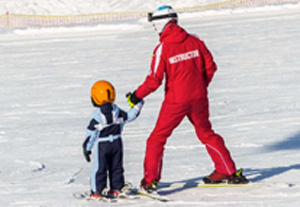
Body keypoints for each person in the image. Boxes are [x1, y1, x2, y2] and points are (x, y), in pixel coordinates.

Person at [126, 5, 248, 194]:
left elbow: (154, 80)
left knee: (156, 139)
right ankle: (228, 170)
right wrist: (199, 87)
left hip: (175, 102)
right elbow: (211, 67)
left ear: (161, 24)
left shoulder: (163, 48)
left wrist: (136, 96)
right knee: (206, 133)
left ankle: (150, 182)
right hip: (199, 97)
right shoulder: (195, 41)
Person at [83, 80, 144, 199]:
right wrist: (138, 103)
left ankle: (97, 191)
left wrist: (87, 148)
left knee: (100, 168)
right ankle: (116, 188)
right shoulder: (118, 111)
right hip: (117, 143)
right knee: (116, 167)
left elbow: (91, 133)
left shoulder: (97, 116)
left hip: (103, 145)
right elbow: (131, 115)